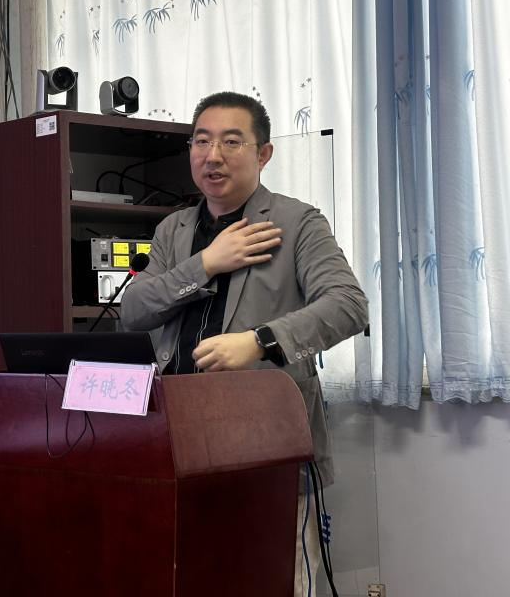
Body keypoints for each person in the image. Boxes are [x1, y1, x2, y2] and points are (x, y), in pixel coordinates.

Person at [120, 91, 368, 596]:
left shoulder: (297, 222)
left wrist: (260, 341)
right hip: (178, 445)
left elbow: (348, 304)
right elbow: (135, 310)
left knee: (275, 580)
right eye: (202, 142)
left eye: (231, 142)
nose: (213, 156)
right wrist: (207, 263)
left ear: (263, 153)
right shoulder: (173, 229)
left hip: (269, 447)